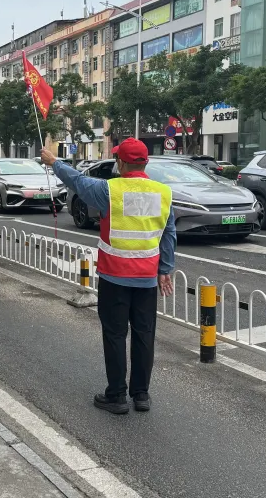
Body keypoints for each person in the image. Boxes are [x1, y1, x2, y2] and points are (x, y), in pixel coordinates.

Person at [40, 139, 176, 415]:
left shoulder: (109, 190)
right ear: (146, 162)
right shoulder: (163, 192)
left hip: (115, 276)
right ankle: (141, 394)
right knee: (144, 334)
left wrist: (54, 162)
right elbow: (168, 233)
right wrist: (165, 269)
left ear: (121, 163)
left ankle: (116, 395)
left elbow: (78, 182)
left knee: (115, 335)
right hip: (147, 278)